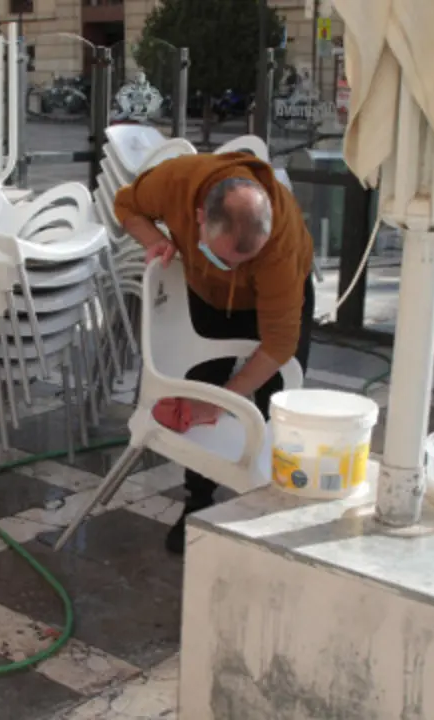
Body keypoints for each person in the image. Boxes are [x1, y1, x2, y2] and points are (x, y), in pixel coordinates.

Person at [113, 152, 315, 554]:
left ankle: (270, 507)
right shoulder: (177, 182)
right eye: (223, 258)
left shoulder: (279, 247)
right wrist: (154, 240)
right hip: (206, 296)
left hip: (271, 305)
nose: (232, 269)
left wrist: (228, 399)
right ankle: (197, 502)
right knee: (200, 392)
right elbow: (126, 204)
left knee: (278, 405)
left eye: (244, 261)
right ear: (199, 216)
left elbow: (278, 345)